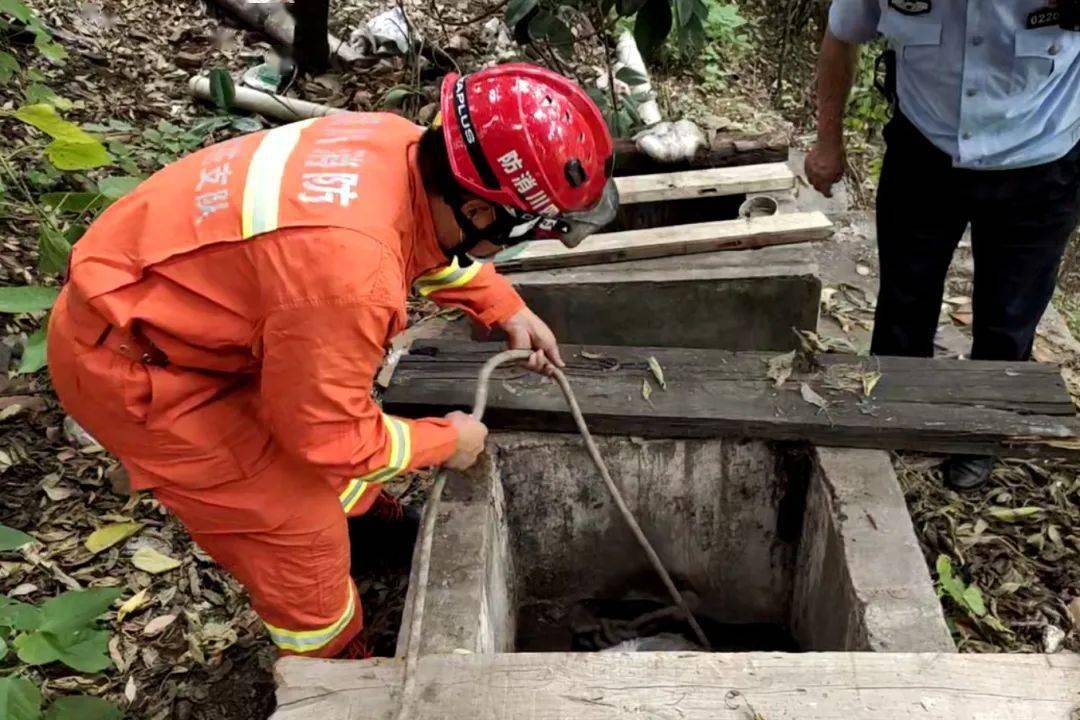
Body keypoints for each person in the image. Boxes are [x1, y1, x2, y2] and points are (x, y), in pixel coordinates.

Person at [47, 63, 617, 659]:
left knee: (320, 449)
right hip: (139, 371)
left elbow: (417, 241)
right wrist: (445, 441)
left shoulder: (393, 144)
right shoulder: (349, 278)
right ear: (478, 212)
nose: (512, 242)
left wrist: (501, 306)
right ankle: (334, 670)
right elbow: (326, 435)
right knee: (297, 534)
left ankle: (370, 534)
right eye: (521, 230)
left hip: (170, 302)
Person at [806, 1, 1080, 490]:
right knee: (903, 303)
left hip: (1042, 161)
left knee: (1008, 319)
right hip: (923, 149)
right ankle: (894, 414)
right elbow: (841, 38)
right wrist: (829, 141)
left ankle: (978, 434)